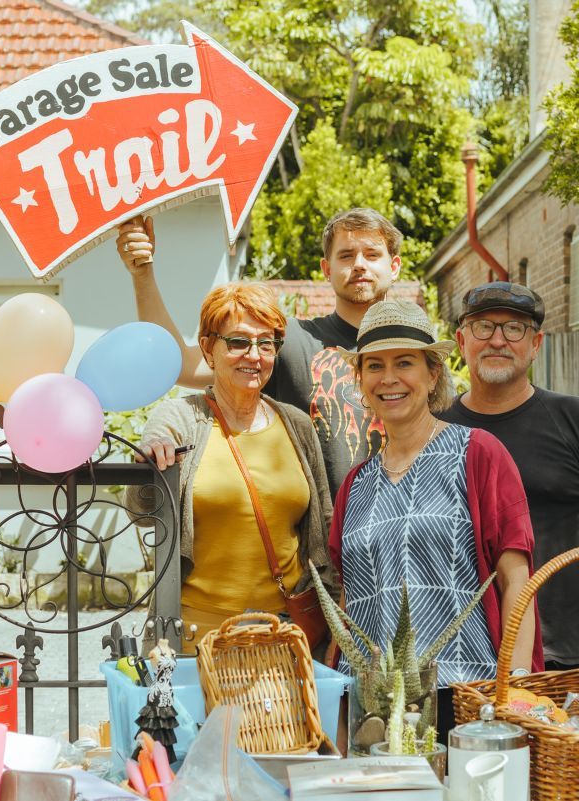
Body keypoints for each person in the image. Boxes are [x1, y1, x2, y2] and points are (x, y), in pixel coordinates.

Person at [327, 300, 542, 742]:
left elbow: (517, 582)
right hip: (373, 709)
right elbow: (349, 605)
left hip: (464, 697)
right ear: (361, 381)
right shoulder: (356, 482)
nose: (389, 379)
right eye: (374, 366)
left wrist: (516, 687)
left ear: (432, 374)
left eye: (404, 362)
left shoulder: (477, 454)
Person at [116, 208, 403, 494]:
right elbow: (181, 365)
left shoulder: (417, 353)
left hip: (408, 531)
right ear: (326, 269)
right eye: (346, 255)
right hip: (321, 534)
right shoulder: (289, 340)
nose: (359, 265)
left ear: (394, 266)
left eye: (372, 254)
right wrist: (143, 274)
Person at [438, 282, 579, 670]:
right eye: (483, 327)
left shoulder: (577, 421)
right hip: (458, 655)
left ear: (536, 344)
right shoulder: (437, 430)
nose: (498, 340)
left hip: (555, 652)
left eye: (514, 328)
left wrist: (551, 577)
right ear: (462, 342)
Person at [127, 282, 337, 642]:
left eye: (266, 343)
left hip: (283, 635)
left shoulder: (296, 425)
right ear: (208, 349)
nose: (253, 355)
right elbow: (140, 509)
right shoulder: (180, 419)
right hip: (196, 637)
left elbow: (323, 526)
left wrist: (333, 618)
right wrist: (151, 462)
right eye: (238, 341)